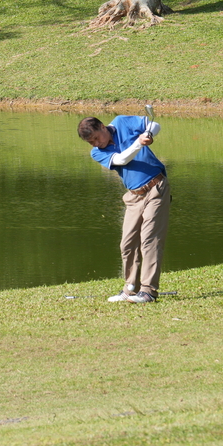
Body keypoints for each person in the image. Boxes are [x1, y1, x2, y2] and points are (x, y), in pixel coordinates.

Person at [77, 113, 169, 303]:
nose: (96, 144)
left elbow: (155, 125)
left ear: (102, 127)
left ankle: (148, 291)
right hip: (134, 197)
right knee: (127, 244)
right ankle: (130, 289)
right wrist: (139, 143)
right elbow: (121, 160)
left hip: (156, 189)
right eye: (91, 142)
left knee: (149, 240)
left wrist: (149, 134)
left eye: (96, 138)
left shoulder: (121, 122)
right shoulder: (97, 153)